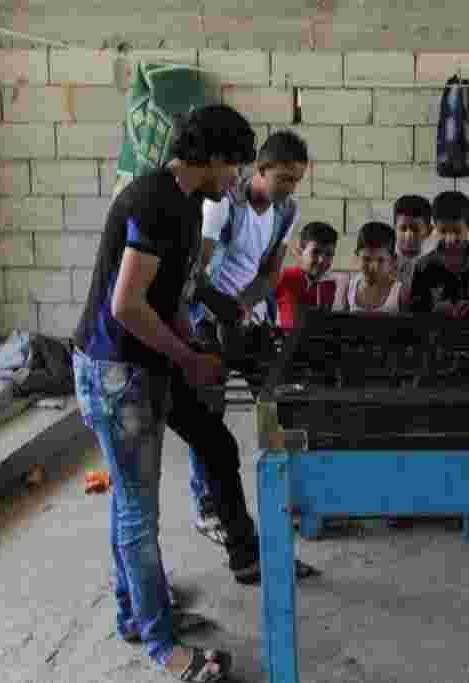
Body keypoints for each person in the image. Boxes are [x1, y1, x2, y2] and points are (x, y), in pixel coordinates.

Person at [71, 104, 254, 682]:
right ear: (216, 155)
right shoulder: (155, 201)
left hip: (134, 367)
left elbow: (166, 297)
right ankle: (161, 644)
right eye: (235, 167)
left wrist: (192, 350)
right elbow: (126, 305)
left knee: (130, 505)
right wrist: (187, 358)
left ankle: (134, 613)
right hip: (115, 372)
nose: (236, 181)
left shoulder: (182, 201)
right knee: (137, 515)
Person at [185, 129, 308, 542]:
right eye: (285, 178)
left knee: (276, 408)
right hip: (208, 321)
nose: (290, 188)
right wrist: (223, 311)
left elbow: (271, 272)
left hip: (251, 319)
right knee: (210, 422)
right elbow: (196, 276)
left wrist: (244, 304)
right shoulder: (222, 203)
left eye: (297, 180)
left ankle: (286, 497)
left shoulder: (287, 211)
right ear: (261, 169)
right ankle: (207, 507)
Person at [407, 190, 469, 317]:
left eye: (457, 231)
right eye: (443, 231)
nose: (450, 238)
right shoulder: (423, 265)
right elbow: (415, 312)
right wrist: (436, 309)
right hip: (437, 333)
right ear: (434, 229)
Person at [276, 221, 347, 331]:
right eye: (315, 252)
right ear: (300, 250)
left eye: (328, 254)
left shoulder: (334, 286)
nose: (321, 260)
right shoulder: (283, 278)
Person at [346, 221, 404, 313]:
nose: (373, 267)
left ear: (393, 260)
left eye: (380, 260)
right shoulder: (349, 288)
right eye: (366, 259)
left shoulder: (400, 292)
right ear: (357, 257)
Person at [393, 194, 434, 292]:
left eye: (415, 229)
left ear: (429, 231)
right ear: (394, 228)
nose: (408, 235)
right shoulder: (381, 263)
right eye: (403, 228)